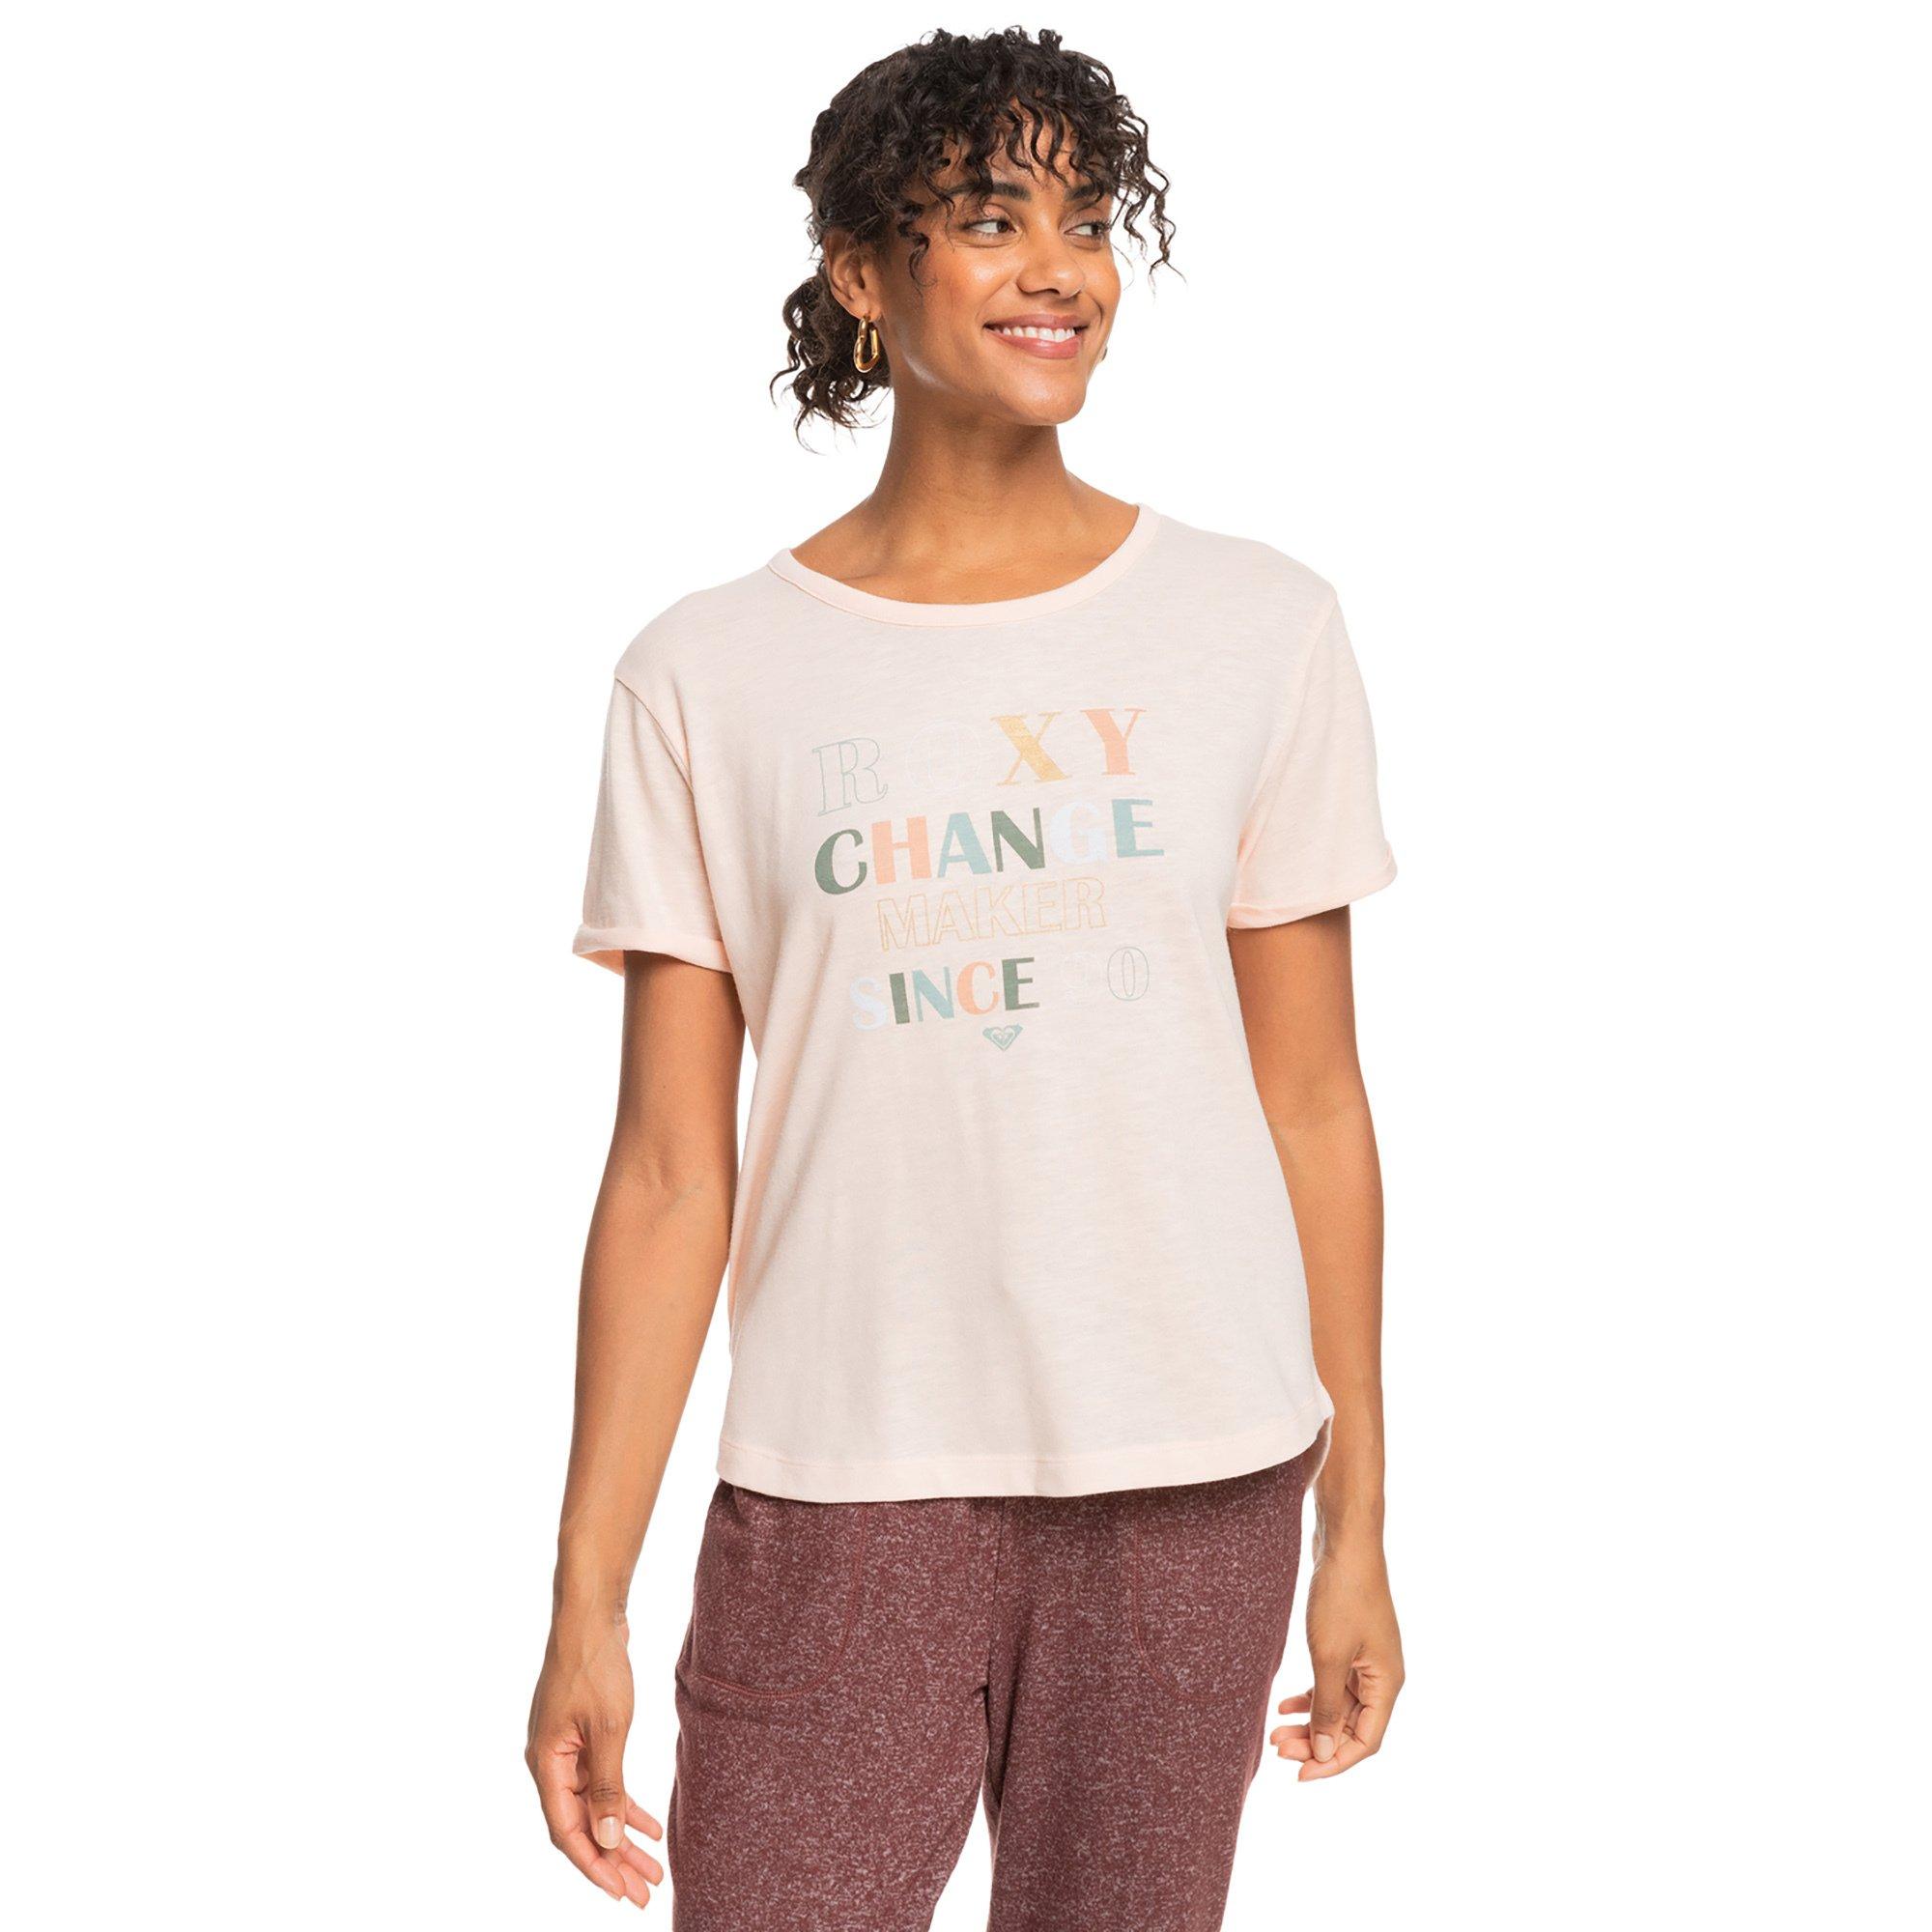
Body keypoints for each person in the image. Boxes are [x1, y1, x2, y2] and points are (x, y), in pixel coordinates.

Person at [526, 26, 1404, 1930]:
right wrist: (586, 1593)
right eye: (993, 220)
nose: (1059, 269)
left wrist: (1360, 1520)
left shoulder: (1256, 628)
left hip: (1195, 1472)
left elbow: (1313, 1100)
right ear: (863, 271)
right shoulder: (706, 674)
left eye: (1087, 223)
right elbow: (669, 1170)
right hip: (843, 1478)